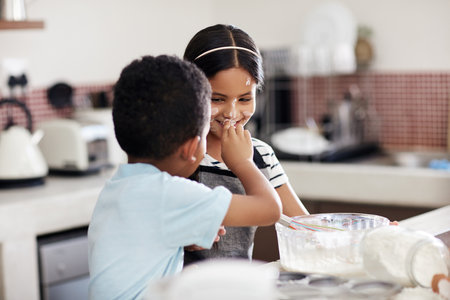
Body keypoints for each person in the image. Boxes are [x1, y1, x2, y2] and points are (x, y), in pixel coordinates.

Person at [87, 55, 281, 300]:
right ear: (192, 149)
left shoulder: (116, 188)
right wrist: (243, 161)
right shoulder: (169, 194)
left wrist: (180, 239)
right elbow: (269, 208)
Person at [183, 24, 309, 264]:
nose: (231, 113)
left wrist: (368, 238)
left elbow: (305, 226)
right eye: (217, 99)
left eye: (244, 99)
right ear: (191, 91)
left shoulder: (261, 154)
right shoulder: (179, 155)